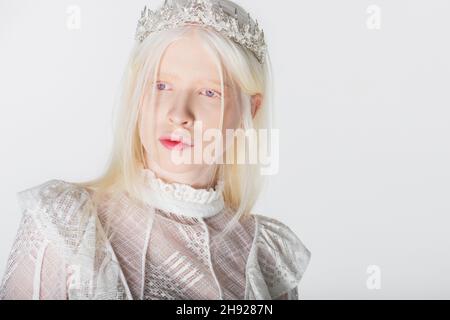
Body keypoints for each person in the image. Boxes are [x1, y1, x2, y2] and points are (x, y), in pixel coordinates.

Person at [0, 0, 311, 300]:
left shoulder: (266, 257)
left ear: (250, 109)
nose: (179, 113)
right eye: (162, 85)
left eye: (209, 92)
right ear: (138, 93)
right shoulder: (66, 225)